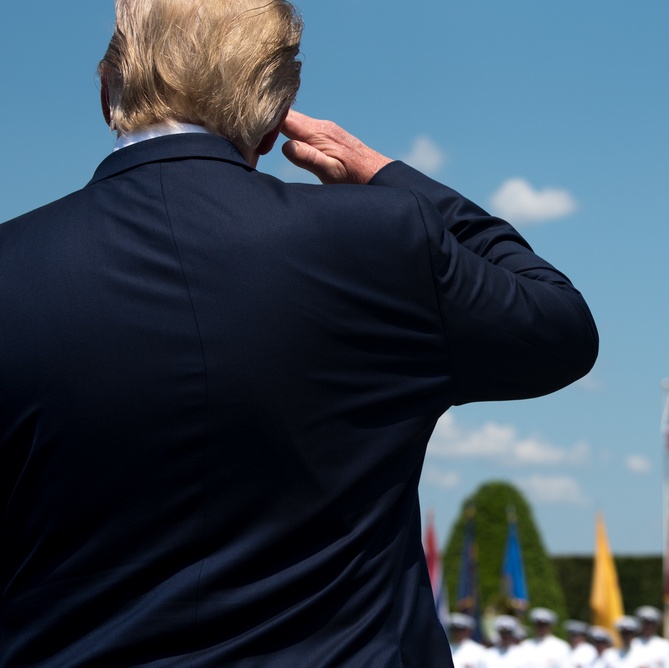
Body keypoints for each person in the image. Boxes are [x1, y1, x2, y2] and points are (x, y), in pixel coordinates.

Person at [0, 1, 599, 665]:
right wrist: (393, 183)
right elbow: (560, 327)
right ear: (271, 120)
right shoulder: (379, 243)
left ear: (108, 89)